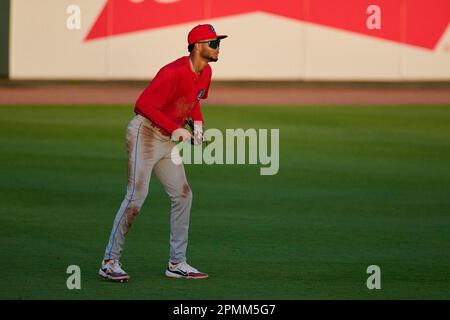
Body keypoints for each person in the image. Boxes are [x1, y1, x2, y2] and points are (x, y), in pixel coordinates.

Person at [98, 24, 227, 282]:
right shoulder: (173, 71)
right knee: (136, 197)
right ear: (198, 45)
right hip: (144, 134)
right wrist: (174, 128)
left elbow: (193, 100)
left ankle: (177, 263)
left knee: (183, 194)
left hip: (167, 140)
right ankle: (109, 262)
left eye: (218, 43)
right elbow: (142, 104)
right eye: (213, 43)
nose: (217, 47)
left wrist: (198, 124)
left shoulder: (206, 72)